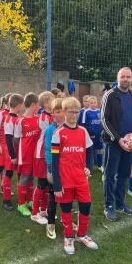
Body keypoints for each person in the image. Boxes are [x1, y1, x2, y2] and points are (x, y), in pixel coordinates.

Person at [52, 97, 98, 255]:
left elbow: (90, 150)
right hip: (65, 179)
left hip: (80, 178)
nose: (74, 115)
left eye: (77, 112)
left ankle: (82, 234)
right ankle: (68, 236)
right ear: (64, 112)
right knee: (66, 207)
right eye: (71, 112)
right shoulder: (59, 133)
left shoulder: (83, 131)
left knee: (86, 205)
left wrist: (89, 168)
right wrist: (57, 185)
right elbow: (54, 161)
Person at [101, 67, 132, 221]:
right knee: (110, 175)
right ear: (118, 78)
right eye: (123, 77)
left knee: (124, 174)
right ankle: (109, 205)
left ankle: (119, 203)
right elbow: (104, 120)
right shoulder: (110, 96)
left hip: (129, 145)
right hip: (114, 143)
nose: (126, 79)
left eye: (128, 77)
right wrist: (118, 139)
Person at [31, 91, 55, 225]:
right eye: (53, 99)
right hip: (42, 154)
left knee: (47, 183)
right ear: (46, 104)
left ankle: (43, 209)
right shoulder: (44, 118)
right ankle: (34, 213)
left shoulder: (51, 116)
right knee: (42, 183)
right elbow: (50, 136)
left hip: (49, 154)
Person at [15, 93, 40, 216]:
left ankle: (29, 200)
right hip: (25, 154)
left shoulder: (38, 119)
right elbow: (17, 138)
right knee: (24, 177)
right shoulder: (21, 120)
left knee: (31, 177)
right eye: (38, 104)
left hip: (35, 154)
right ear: (33, 104)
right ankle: (21, 204)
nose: (39, 107)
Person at [45, 98, 65, 239]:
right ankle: (50, 223)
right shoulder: (50, 130)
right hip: (54, 168)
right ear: (53, 113)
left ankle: (65, 219)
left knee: (67, 196)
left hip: (68, 168)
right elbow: (47, 150)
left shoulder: (72, 127)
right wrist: (51, 169)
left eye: (63, 111)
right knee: (53, 195)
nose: (61, 114)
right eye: (57, 112)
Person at [3, 94, 24, 211]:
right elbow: (8, 138)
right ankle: (6, 200)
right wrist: (12, 155)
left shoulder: (17, 117)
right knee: (9, 173)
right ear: (19, 106)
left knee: (20, 173)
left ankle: (22, 195)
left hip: (19, 150)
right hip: (12, 152)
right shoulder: (9, 119)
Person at [81, 96, 103, 172]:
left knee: (99, 150)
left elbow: (102, 124)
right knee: (88, 151)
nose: (93, 104)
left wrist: (102, 134)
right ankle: (88, 168)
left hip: (98, 135)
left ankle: (100, 166)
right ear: (88, 104)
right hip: (90, 135)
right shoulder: (86, 112)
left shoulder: (99, 111)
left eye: (95, 102)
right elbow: (83, 125)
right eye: (91, 103)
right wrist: (89, 132)